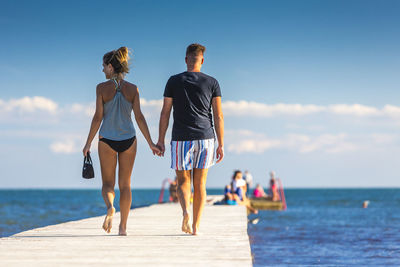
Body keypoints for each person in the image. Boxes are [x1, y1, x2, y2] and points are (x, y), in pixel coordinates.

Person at [83, 47, 160, 236]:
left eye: (103, 67)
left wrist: (88, 143)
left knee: (108, 185)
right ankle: (123, 227)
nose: (102, 70)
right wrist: (151, 143)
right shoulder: (133, 89)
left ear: (110, 66)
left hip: (106, 140)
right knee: (125, 185)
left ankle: (110, 207)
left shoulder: (101, 88)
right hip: (129, 140)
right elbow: (140, 117)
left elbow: (97, 117)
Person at [157, 43, 224, 235]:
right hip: (206, 137)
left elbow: (165, 113)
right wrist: (221, 144)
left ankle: (185, 211)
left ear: (186, 59)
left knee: (182, 181)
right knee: (200, 183)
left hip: (180, 137)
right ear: (202, 60)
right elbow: (218, 116)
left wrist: (160, 140)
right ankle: (196, 226)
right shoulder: (212, 82)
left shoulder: (173, 81)